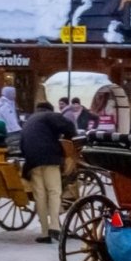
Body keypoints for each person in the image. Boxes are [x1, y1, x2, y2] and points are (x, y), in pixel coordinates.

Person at [21, 101, 77, 244]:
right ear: (49, 109)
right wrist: (70, 139)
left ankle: (44, 232)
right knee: (54, 191)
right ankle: (55, 226)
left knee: (40, 195)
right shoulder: (50, 116)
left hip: (32, 160)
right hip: (49, 157)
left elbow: (22, 143)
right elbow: (69, 126)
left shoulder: (30, 120)